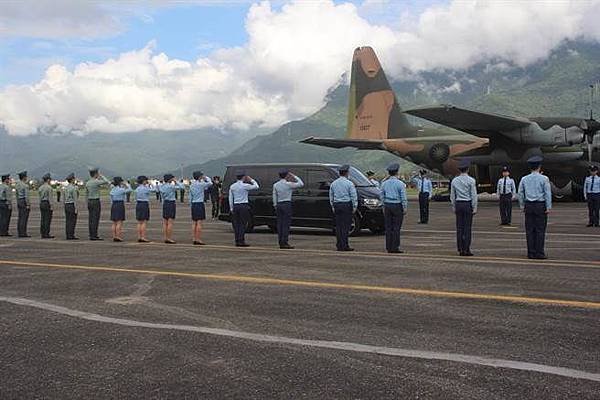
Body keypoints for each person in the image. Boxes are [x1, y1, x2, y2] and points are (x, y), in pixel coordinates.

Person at [518, 155, 552, 259]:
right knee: (540, 230)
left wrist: (522, 205)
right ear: (539, 167)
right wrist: (548, 206)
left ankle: (531, 252)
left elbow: (520, 193)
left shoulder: (524, 179)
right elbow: (547, 193)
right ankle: (539, 252)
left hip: (529, 205)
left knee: (529, 230)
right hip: (540, 205)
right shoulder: (544, 178)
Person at [451, 160, 477, 256]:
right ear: (468, 169)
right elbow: (474, 196)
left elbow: (452, 196)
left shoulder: (454, 180)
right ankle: (467, 249)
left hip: (458, 204)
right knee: (467, 228)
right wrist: (474, 207)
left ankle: (460, 249)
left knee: (459, 228)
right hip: (467, 204)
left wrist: (454, 207)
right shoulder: (471, 180)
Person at [379, 163, 407, 253]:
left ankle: (388, 246)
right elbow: (403, 198)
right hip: (397, 205)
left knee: (388, 227)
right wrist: (404, 208)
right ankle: (395, 247)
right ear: (397, 172)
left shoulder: (384, 184)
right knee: (396, 228)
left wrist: (383, 205)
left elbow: (381, 195)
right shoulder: (400, 184)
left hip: (387, 205)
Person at [272, 170, 304, 249]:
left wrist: (275, 205)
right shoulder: (288, 184)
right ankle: (284, 242)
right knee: (286, 224)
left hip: (279, 204)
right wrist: (294, 176)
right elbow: (301, 183)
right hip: (286, 204)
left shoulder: (275, 185)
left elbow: (274, 196)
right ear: (286, 176)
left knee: (280, 224)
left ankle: (280, 241)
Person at [329, 164, 358, 252]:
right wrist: (354, 207)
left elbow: (331, 196)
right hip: (346, 205)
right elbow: (353, 196)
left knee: (338, 226)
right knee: (346, 226)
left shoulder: (334, 183)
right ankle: (345, 245)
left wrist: (333, 206)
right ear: (347, 173)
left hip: (337, 204)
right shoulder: (349, 183)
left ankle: (339, 245)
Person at [228, 171, 259, 247]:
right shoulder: (245, 186)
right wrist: (251, 180)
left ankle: (237, 240)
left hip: (236, 205)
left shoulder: (232, 186)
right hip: (243, 205)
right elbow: (256, 186)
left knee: (236, 224)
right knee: (242, 224)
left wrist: (231, 208)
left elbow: (230, 198)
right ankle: (241, 240)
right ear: (243, 177)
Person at [85, 168, 110, 240]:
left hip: (90, 201)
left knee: (91, 219)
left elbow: (86, 194)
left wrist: (87, 203)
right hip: (95, 201)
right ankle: (94, 235)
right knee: (95, 218)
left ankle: (91, 234)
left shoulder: (88, 182)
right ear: (96, 174)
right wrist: (101, 175)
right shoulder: (96, 182)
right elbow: (107, 181)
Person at [159, 174, 185, 244]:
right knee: (170, 222)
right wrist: (176, 181)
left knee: (165, 222)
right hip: (171, 203)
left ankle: (165, 237)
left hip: (165, 203)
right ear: (170, 179)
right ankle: (169, 238)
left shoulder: (162, 186)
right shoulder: (171, 186)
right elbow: (182, 187)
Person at [189, 171, 213, 245]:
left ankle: (194, 238)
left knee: (194, 222)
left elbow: (190, 197)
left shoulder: (191, 185)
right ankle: (198, 239)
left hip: (193, 203)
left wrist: (191, 205)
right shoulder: (201, 184)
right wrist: (206, 177)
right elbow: (210, 183)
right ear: (199, 177)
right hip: (199, 203)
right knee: (199, 222)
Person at [109, 176, 131, 242]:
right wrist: (126, 184)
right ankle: (118, 236)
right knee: (119, 222)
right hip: (120, 204)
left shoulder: (112, 190)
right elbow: (130, 190)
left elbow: (111, 199)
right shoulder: (121, 190)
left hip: (114, 204)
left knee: (114, 222)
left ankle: (114, 236)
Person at [134, 176, 156, 243]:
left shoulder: (137, 189)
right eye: (146, 180)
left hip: (138, 204)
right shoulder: (145, 188)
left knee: (139, 222)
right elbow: (155, 190)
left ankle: (139, 236)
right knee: (144, 222)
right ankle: (143, 237)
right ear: (143, 181)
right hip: (144, 204)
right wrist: (151, 184)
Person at [38, 173, 54, 239]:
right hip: (47, 203)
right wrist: (51, 205)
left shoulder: (40, 187)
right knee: (47, 219)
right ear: (48, 180)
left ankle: (42, 233)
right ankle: (46, 233)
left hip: (42, 203)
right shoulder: (49, 187)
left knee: (43, 219)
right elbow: (50, 198)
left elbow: (39, 197)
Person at [15, 171, 30, 238]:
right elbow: (26, 196)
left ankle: (20, 231)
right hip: (23, 201)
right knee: (24, 218)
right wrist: (28, 204)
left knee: (20, 217)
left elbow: (16, 194)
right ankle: (23, 233)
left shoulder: (17, 185)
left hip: (19, 201)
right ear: (24, 177)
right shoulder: (25, 185)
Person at [63, 173, 79, 240]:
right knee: (72, 221)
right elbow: (75, 199)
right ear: (72, 180)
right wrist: (76, 208)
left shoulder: (65, 188)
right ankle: (71, 235)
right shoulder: (74, 188)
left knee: (68, 221)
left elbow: (63, 198)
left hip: (66, 205)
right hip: (72, 205)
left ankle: (68, 235)